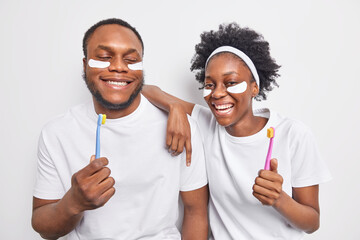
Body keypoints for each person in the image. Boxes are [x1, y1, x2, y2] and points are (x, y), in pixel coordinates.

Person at [142, 23, 332, 239]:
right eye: (210, 84)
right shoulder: (205, 124)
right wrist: (174, 107)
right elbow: (145, 89)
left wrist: (279, 199)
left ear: (254, 87)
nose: (217, 93)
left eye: (231, 82)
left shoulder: (293, 134)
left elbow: (312, 223)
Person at [31, 18, 208, 240]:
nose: (118, 66)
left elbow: (196, 212)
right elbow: (43, 226)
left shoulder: (180, 127)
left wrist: (174, 106)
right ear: (85, 64)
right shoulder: (56, 133)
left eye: (131, 59)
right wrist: (73, 203)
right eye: (104, 57)